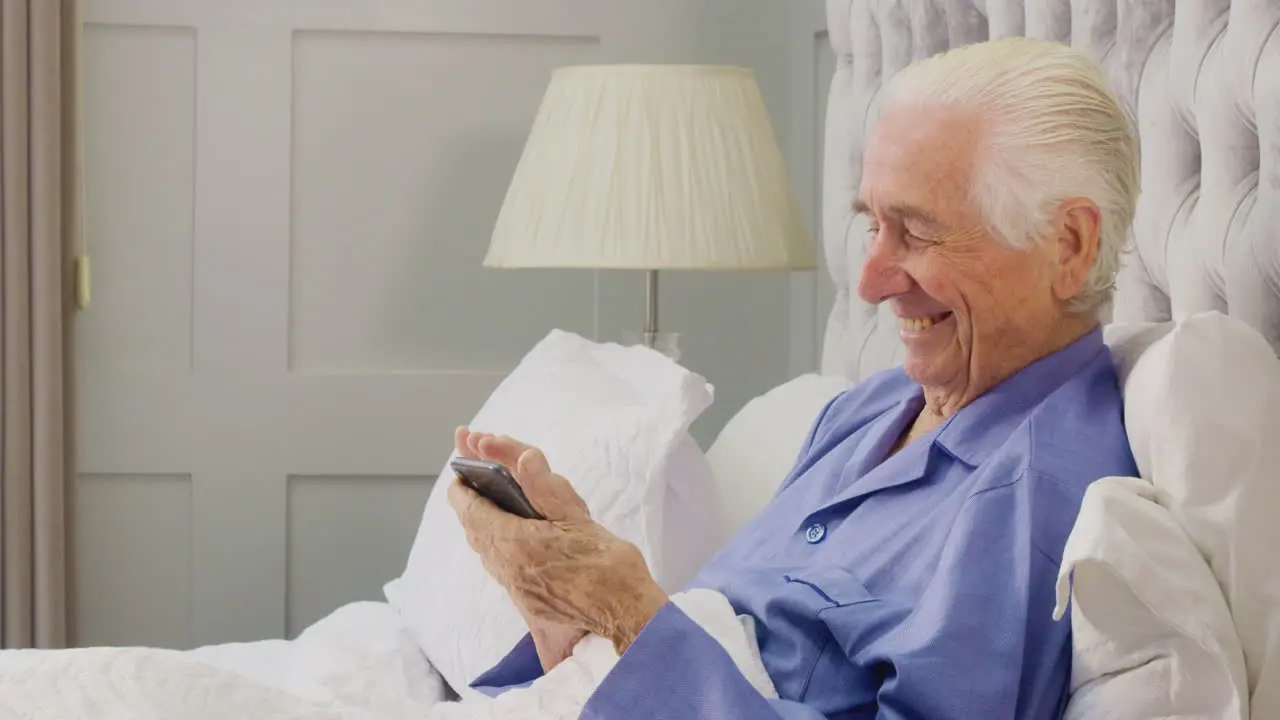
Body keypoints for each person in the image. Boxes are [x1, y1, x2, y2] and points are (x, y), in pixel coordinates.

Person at [447, 36, 1141, 719]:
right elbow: (728, 641)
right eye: (872, 225)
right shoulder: (871, 409)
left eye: (919, 232)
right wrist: (568, 608)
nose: (869, 281)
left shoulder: (1032, 496)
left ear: (1068, 245)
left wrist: (629, 613)